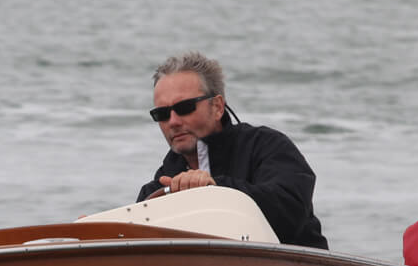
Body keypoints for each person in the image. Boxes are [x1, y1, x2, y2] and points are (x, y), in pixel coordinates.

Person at [139, 51, 328, 249]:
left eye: (185, 107)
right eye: (161, 114)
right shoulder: (159, 184)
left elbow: (290, 212)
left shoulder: (268, 146)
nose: (173, 121)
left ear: (218, 107)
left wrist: (214, 189)